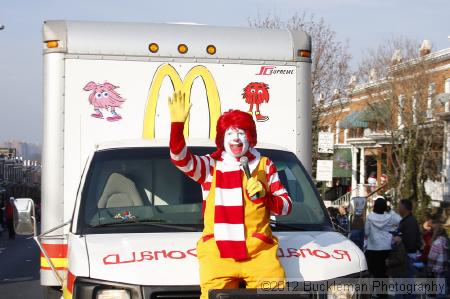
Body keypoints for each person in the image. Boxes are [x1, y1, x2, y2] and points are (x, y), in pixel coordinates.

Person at [168, 91, 292, 299]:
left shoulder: (264, 164)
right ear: (221, 138)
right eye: (230, 133)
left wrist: (265, 196)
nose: (236, 138)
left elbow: (287, 206)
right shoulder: (209, 165)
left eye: (242, 132)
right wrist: (177, 127)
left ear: (250, 137)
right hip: (218, 254)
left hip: (259, 253)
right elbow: (180, 160)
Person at [364, 197, 401, 286]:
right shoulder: (389, 217)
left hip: (373, 248)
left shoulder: (369, 217)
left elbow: (366, 232)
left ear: (375, 206)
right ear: (385, 207)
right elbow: (400, 220)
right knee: (384, 271)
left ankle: (378, 292)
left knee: (375, 272)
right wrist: (390, 211)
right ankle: (383, 293)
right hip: (386, 247)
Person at [397, 199, 421, 299]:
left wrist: (399, 240)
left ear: (404, 208)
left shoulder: (409, 221)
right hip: (407, 255)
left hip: (407, 255)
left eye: (399, 206)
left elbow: (410, 241)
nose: (398, 208)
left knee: (407, 281)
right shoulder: (408, 220)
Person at [427, 219, 448, 298]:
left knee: (439, 291)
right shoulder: (445, 241)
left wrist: (429, 269)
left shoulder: (436, 243)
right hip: (444, 268)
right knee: (443, 289)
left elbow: (432, 258)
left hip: (437, 269)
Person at [386, 230, 408, 299]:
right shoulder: (395, 245)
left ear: (399, 237)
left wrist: (389, 262)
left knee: (399, 291)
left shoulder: (401, 247)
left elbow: (399, 260)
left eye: (394, 236)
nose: (392, 238)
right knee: (397, 289)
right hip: (396, 272)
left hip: (399, 272)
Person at [349, 186, 367, 250]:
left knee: (355, 244)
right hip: (360, 224)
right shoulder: (364, 200)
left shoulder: (353, 200)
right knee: (360, 244)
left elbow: (351, 214)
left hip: (355, 225)